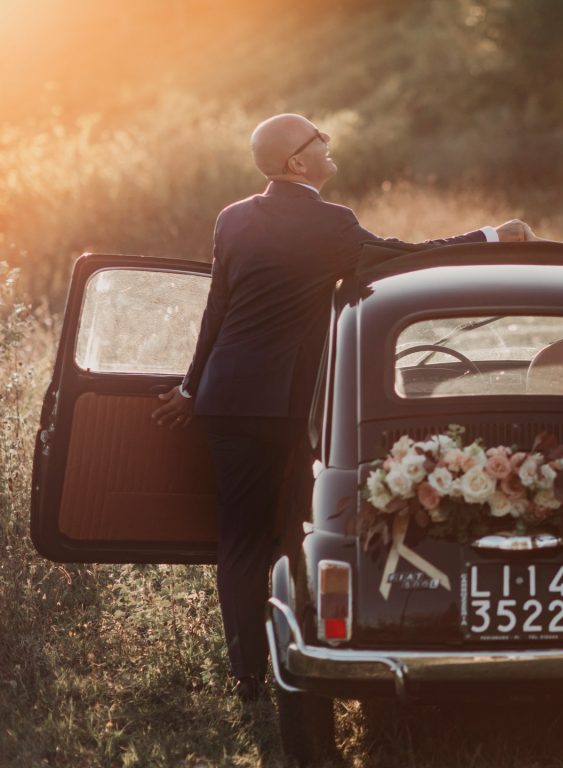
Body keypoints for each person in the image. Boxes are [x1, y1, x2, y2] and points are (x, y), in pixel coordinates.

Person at [152, 113, 531, 700]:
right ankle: (307, 658)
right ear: (296, 163)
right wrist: (487, 238)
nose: (329, 146)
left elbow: (216, 311)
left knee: (240, 536)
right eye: (318, 140)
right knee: (301, 529)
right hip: (286, 408)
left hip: (224, 399)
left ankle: (247, 675)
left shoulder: (232, 218)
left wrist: (188, 388)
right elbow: (403, 258)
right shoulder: (329, 223)